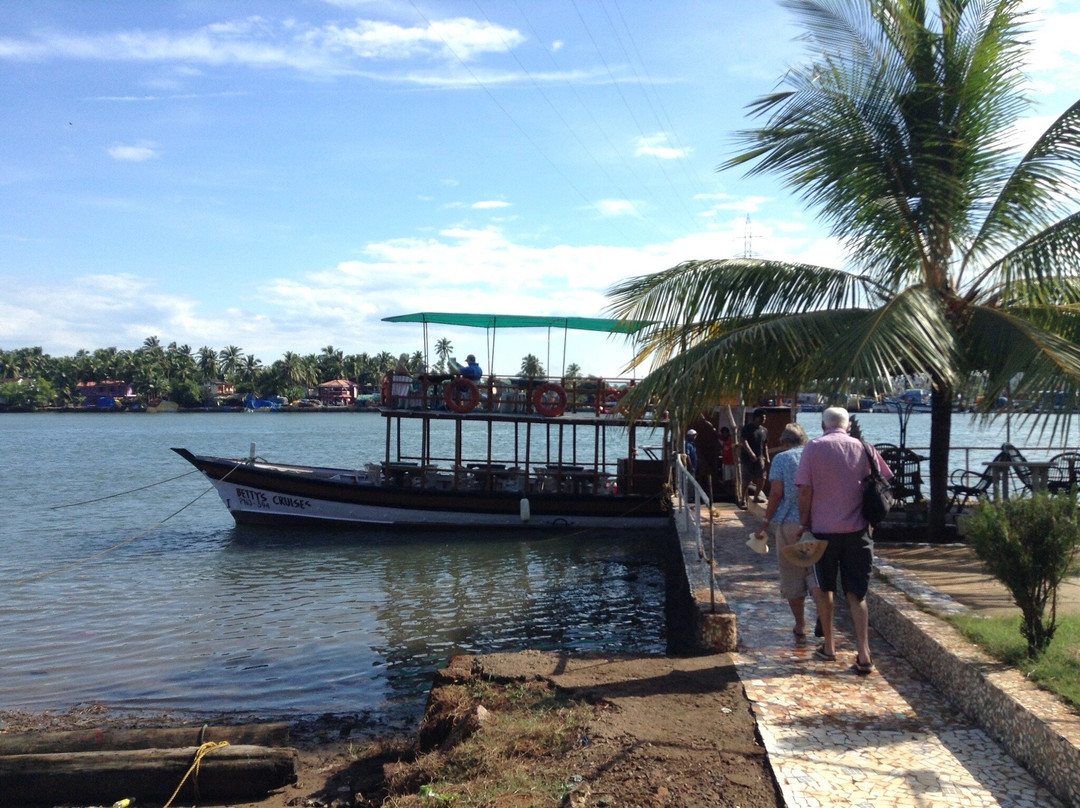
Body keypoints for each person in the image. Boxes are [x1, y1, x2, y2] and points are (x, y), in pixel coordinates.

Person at [795, 406, 892, 675]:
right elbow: (883, 482)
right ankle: (864, 654)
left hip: (822, 532)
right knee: (856, 593)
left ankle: (829, 647)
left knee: (824, 589)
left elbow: (805, 491)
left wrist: (804, 525)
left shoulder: (813, 448)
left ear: (823, 425)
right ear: (848, 426)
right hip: (859, 531)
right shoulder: (865, 448)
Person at [757, 423, 816, 640]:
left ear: (784, 442)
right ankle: (823, 616)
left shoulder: (782, 459)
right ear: (805, 440)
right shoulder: (815, 457)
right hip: (817, 524)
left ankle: (801, 625)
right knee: (816, 574)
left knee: (792, 574)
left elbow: (775, 494)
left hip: (791, 524)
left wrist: (765, 522)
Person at [740, 409, 770, 507]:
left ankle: (756, 496)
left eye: (764, 418)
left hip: (760, 457)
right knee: (746, 480)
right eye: (761, 417)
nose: (763, 419)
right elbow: (743, 441)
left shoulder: (764, 430)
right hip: (747, 458)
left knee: (762, 478)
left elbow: (765, 445)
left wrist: (767, 457)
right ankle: (742, 499)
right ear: (756, 417)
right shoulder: (747, 428)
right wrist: (751, 453)